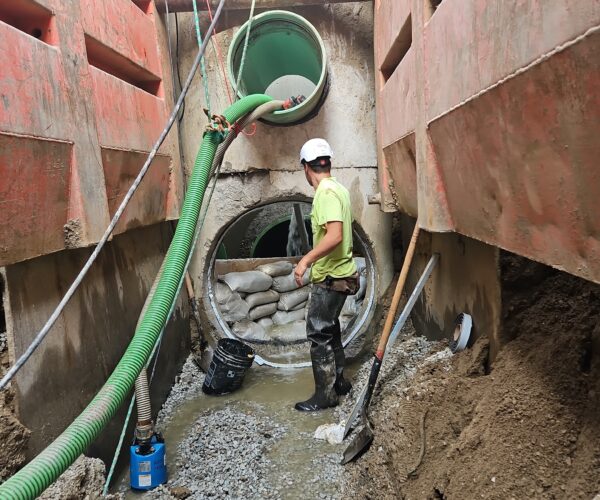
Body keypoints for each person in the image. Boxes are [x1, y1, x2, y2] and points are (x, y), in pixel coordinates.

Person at [294, 138, 359, 412]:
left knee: (318, 332)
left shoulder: (326, 193)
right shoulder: (339, 189)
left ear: (306, 168)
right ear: (327, 163)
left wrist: (305, 261)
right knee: (330, 328)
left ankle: (326, 395)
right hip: (340, 274)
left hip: (332, 277)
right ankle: (340, 381)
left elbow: (335, 236)